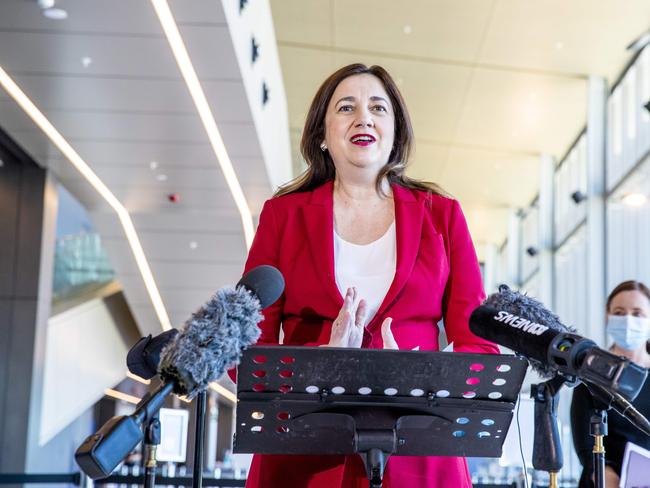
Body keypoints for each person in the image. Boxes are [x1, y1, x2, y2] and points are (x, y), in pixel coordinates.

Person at [240, 63, 498, 488]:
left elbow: (479, 346)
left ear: (395, 131)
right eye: (347, 107)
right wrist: (318, 362)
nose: (364, 117)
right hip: (305, 449)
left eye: (378, 108)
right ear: (322, 135)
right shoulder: (282, 216)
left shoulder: (442, 216)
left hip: (418, 447)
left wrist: (427, 375)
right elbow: (248, 349)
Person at [571, 280, 650, 488]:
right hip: (605, 480)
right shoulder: (590, 372)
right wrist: (604, 474)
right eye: (619, 312)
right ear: (608, 316)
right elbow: (586, 448)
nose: (628, 320)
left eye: (637, 313)